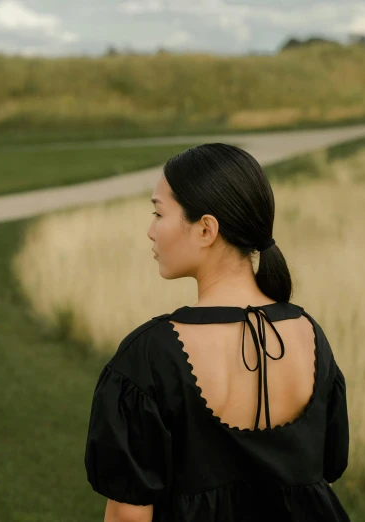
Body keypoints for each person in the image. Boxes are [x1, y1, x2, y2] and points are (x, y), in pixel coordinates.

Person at [84, 144, 350, 522]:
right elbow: (329, 465)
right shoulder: (310, 335)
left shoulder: (150, 356)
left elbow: (128, 516)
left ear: (206, 229)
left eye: (159, 213)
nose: (150, 230)